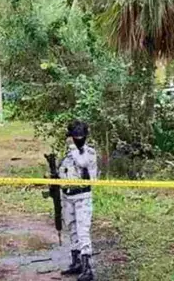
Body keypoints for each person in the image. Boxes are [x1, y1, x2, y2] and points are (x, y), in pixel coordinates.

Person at [59, 119, 97, 281]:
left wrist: (74, 148)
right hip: (68, 197)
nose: (75, 139)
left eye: (77, 137)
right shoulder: (68, 155)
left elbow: (82, 163)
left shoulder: (89, 153)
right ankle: (76, 263)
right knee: (72, 228)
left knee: (83, 231)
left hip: (83, 197)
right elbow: (64, 173)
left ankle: (87, 268)